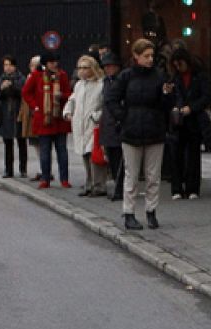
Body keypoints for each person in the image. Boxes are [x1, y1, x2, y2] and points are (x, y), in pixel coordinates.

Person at [107, 39, 173, 230]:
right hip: (131, 130)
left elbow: (166, 105)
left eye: (152, 55)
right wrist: (123, 117)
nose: (150, 59)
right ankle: (129, 213)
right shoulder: (126, 76)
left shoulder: (159, 76)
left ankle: (151, 211)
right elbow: (111, 98)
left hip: (155, 130)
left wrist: (167, 95)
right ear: (136, 56)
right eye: (146, 56)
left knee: (153, 176)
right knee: (132, 175)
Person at [165, 48, 211, 200]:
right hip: (178, 121)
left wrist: (191, 108)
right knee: (176, 155)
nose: (178, 68)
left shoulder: (199, 76)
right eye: (176, 65)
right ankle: (177, 188)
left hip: (194, 119)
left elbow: (206, 97)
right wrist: (170, 98)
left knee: (193, 155)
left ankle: (192, 188)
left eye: (180, 64)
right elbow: (170, 98)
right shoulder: (174, 78)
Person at [23, 50, 73, 188]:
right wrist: (35, 106)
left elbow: (69, 93)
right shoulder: (37, 76)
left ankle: (64, 179)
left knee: (62, 150)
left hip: (59, 119)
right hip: (44, 118)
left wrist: (61, 96)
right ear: (46, 63)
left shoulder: (62, 75)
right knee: (45, 151)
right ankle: (45, 178)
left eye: (56, 61)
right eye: (51, 62)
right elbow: (26, 92)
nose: (54, 64)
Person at [65, 54, 108, 197]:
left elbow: (105, 104)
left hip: (94, 124)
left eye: (85, 67)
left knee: (95, 155)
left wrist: (97, 116)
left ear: (93, 68)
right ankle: (89, 184)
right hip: (80, 124)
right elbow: (72, 100)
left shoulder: (101, 84)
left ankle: (99, 185)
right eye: (80, 68)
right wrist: (68, 112)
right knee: (85, 155)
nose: (82, 71)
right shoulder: (79, 85)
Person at [0, 55, 27, 178]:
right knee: (8, 143)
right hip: (5, 115)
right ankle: (8, 170)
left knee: (21, 142)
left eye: (10, 65)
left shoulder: (21, 78)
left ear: (14, 66)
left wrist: (12, 87)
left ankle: (23, 169)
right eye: (6, 65)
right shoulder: (0, 80)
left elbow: (24, 93)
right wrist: (2, 88)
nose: (8, 67)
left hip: (19, 113)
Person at [98, 50, 127, 202]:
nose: (108, 69)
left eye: (110, 66)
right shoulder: (105, 82)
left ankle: (121, 189)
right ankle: (117, 186)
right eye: (106, 66)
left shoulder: (121, 81)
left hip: (118, 123)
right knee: (112, 159)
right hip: (107, 124)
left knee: (121, 159)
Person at [23, 56, 41, 180]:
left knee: (42, 144)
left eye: (34, 65)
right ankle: (41, 169)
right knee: (35, 144)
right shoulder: (29, 77)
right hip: (30, 115)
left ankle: (44, 170)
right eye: (31, 65)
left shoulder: (40, 77)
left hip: (37, 113)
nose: (32, 67)